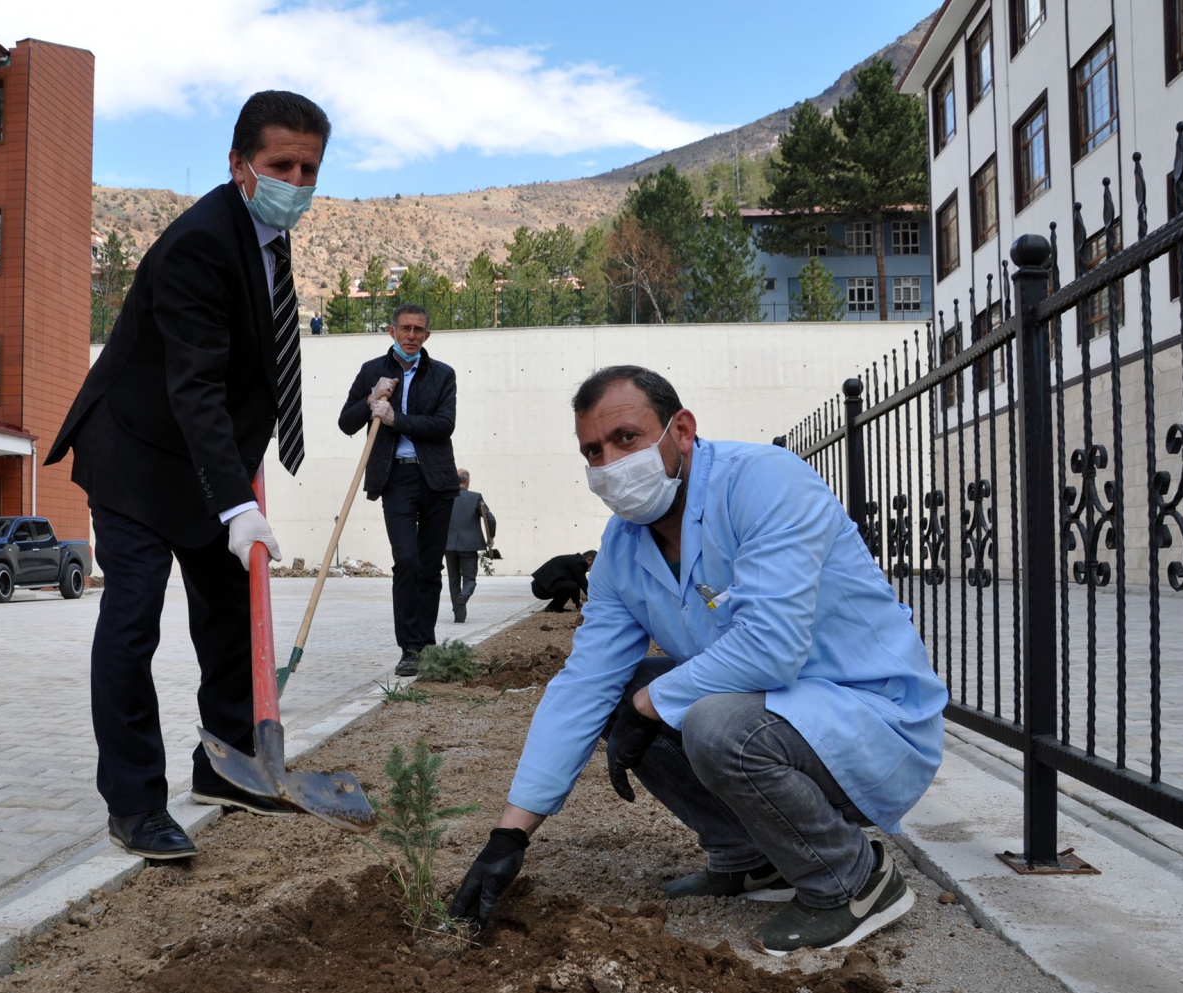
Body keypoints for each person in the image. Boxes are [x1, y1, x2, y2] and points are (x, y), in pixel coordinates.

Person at [451, 365, 947, 956]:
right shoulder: (621, 547)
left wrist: (649, 703)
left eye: (626, 439)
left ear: (681, 430)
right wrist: (509, 836)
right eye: (593, 451)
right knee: (623, 692)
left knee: (713, 725)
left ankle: (853, 879)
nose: (609, 464)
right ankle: (752, 858)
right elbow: (584, 682)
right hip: (780, 713)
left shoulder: (762, 483)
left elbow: (771, 645)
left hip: (871, 719)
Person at [44, 91, 331, 860]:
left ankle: (225, 765)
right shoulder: (200, 241)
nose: (295, 181)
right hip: (135, 456)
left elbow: (251, 364)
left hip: (202, 461)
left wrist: (238, 474)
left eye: (308, 167)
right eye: (280, 165)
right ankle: (135, 804)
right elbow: (195, 384)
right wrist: (236, 502)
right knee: (133, 619)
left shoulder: (266, 234)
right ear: (239, 164)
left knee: (230, 616)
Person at [338, 304, 458, 676]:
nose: (411, 335)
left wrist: (396, 419)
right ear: (392, 331)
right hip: (396, 479)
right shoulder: (372, 372)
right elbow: (346, 423)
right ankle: (409, 647)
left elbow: (444, 425)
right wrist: (369, 401)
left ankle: (426, 643)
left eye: (418, 330)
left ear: (427, 335)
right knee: (406, 560)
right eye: (404, 328)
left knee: (430, 566)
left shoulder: (442, 375)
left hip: (435, 478)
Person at [444, 469, 497, 623]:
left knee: (453, 580)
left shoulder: (445, 497)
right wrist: (490, 537)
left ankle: (458, 616)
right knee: (469, 579)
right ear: (467, 482)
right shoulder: (475, 497)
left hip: (448, 544)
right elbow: (490, 519)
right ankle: (464, 595)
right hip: (469, 544)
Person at [530, 551, 595, 612]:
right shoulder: (578, 563)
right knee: (572, 586)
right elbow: (582, 583)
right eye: (593, 564)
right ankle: (553, 607)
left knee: (572, 585)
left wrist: (577, 601)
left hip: (540, 587)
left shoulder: (575, 560)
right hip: (541, 589)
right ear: (589, 560)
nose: (591, 567)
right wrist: (595, 600)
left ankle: (555, 607)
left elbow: (575, 582)